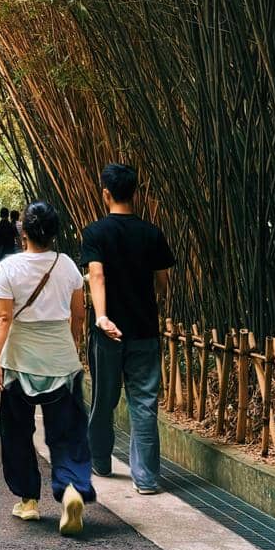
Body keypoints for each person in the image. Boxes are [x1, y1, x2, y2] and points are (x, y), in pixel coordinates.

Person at [0, 201, 93, 535]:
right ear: (54, 233)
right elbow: (79, 315)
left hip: (20, 362)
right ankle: (72, 489)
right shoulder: (68, 267)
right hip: (61, 360)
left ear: (25, 233)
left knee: (17, 431)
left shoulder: (10, 267)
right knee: (68, 432)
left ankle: (29, 500)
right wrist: (71, 345)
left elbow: (3, 317)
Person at [81, 163, 175, 495]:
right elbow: (163, 282)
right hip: (144, 329)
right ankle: (146, 479)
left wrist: (102, 316)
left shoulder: (95, 232)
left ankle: (100, 461)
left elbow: (96, 275)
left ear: (106, 194)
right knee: (144, 403)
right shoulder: (152, 233)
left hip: (108, 333)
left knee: (104, 399)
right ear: (135, 193)